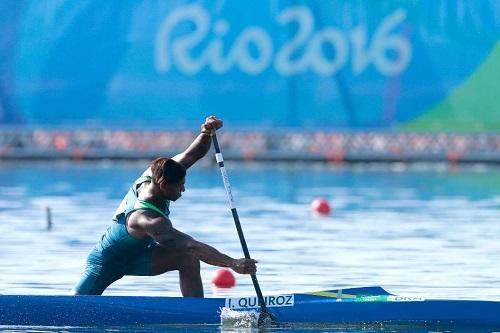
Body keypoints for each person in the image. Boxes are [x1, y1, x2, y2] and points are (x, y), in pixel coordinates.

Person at [71, 116, 257, 296]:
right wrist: (233, 263)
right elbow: (191, 245)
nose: (183, 189)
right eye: (180, 186)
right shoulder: (147, 219)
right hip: (106, 262)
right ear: (163, 185)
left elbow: (193, 154)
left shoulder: (159, 173)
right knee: (73, 309)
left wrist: (206, 132)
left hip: (140, 256)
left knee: (187, 259)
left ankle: (194, 314)